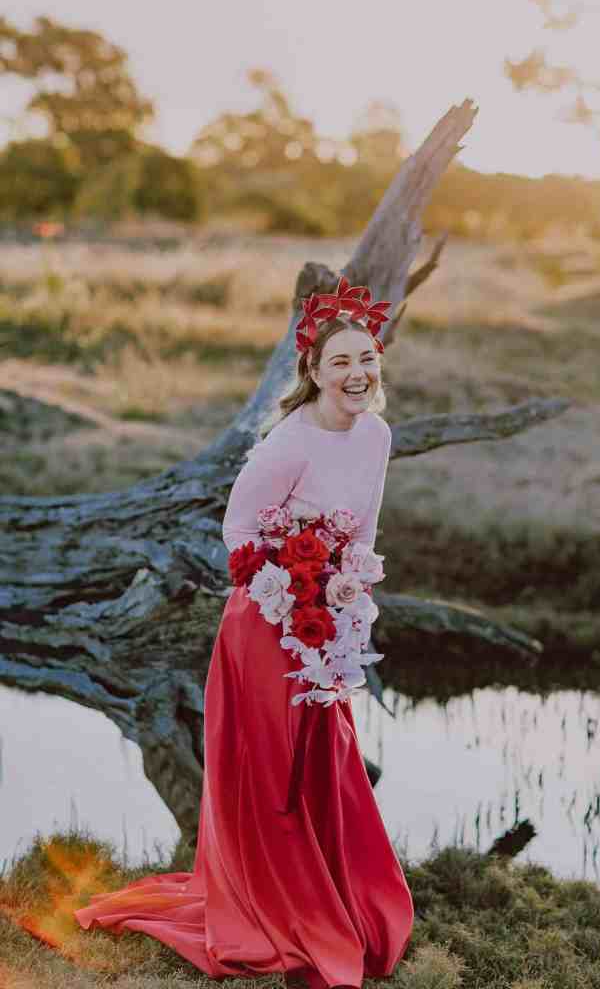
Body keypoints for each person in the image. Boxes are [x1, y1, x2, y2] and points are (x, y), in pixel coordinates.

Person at [73, 277, 414, 988]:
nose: (357, 374)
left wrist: (351, 587)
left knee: (324, 759)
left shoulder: (377, 433)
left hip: (331, 622)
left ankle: (327, 893)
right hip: (268, 624)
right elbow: (238, 534)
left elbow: (366, 526)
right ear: (314, 372)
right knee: (272, 769)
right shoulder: (286, 443)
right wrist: (296, 584)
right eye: (341, 362)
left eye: (367, 359)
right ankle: (273, 906)